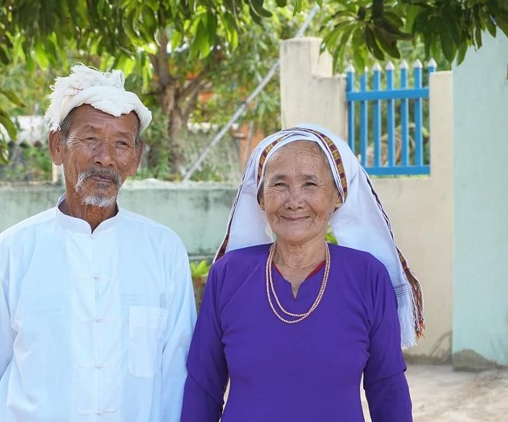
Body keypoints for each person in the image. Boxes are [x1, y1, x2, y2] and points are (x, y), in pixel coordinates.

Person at [0, 64, 196, 422]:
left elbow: (175, 373)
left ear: (136, 159)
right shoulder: (13, 251)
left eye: (121, 143)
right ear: (57, 147)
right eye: (91, 139)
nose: (105, 158)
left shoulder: (164, 251)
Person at [180, 124, 424, 422]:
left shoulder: (368, 277)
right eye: (279, 185)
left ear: (337, 196)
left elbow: (387, 389)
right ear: (261, 198)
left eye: (310, 184)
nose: (294, 201)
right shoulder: (229, 275)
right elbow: (203, 388)